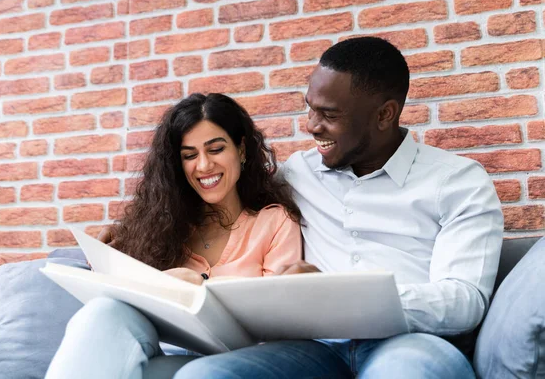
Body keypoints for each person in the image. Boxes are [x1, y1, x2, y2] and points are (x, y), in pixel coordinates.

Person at [173, 37, 504, 378]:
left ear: (384, 114)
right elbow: (220, 196)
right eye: (311, 108)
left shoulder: (457, 182)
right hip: (313, 350)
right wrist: (124, 238)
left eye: (329, 114)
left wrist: (344, 297)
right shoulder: (296, 173)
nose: (312, 125)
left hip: (408, 344)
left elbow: (465, 301)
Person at [45, 93, 302, 378]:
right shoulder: (160, 227)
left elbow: (280, 320)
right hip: (167, 354)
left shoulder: (275, 221)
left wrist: (199, 288)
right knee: (103, 312)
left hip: (239, 362)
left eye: (215, 149)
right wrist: (106, 264)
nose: (203, 166)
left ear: (241, 150)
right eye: (189, 156)